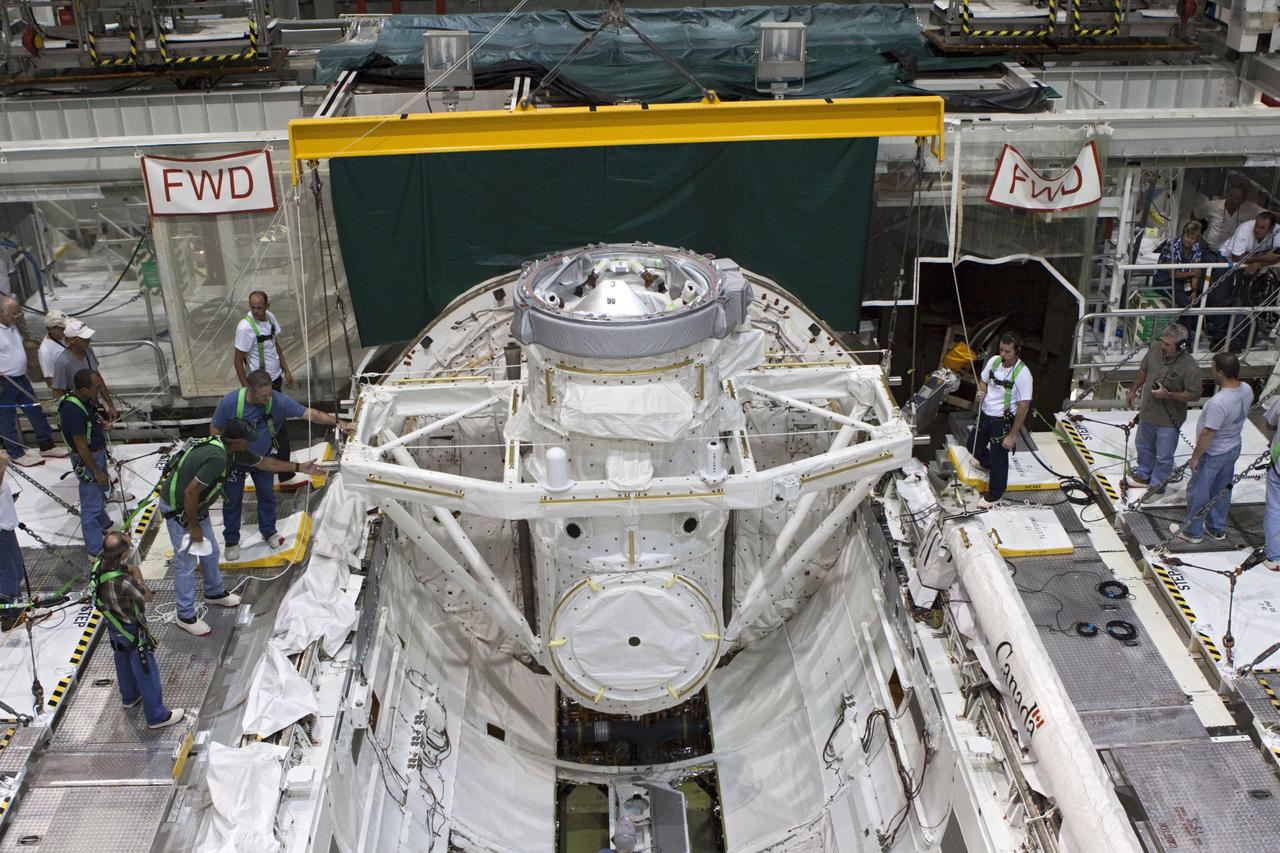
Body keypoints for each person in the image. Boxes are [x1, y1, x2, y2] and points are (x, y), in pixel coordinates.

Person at [158, 418, 322, 635]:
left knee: (211, 551)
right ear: (235, 442)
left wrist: (300, 467)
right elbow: (190, 492)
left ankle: (214, 593)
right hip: (181, 510)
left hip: (196, 507)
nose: (251, 444)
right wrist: (194, 527)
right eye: (247, 440)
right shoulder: (217, 457)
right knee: (186, 563)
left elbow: (266, 463)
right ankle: (185, 615)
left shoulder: (231, 450)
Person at [211, 370, 343, 561]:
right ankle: (231, 541)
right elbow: (214, 430)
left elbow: (309, 414)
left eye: (269, 393)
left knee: (267, 496)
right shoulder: (231, 403)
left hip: (262, 459)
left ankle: (269, 531)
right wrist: (222, 457)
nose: (268, 398)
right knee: (232, 501)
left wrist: (339, 422)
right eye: (263, 395)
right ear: (251, 390)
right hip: (234, 462)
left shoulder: (276, 401)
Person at [92, 531, 185, 729]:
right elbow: (148, 596)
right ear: (122, 554)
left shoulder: (99, 567)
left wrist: (134, 572)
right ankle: (157, 716)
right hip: (131, 628)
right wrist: (140, 582)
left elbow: (131, 568)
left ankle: (130, 697)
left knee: (122, 658)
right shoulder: (122, 582)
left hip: (114, 626)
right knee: (146, 670)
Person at [1171, 353, 1252, 544]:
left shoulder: (1219, 402)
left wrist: (1195, 457)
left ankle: (1192, 532)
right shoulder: (1247, 389)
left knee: (1199, 491)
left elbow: (1209, 432)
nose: (1212, 370)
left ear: (1221, 372)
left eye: (1213, 367)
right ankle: (1216, 528)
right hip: (1232, 447)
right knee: (1222, 490)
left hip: (1214, 453)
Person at [1125, 324, 1203, 491]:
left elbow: (1194, 395)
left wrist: (1168, 395)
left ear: (1181, 346)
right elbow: (1143, 370)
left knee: (1164, 456)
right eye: (1163, 342)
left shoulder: (1190, 367)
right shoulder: (1154, 350)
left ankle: (1157, 485)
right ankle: (1144, 474)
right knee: (1143, 445)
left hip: (1169, 420)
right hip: (1148, 412)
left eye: (1168, 344)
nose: (1163, 346)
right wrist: (1133, 390)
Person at [234, 292, 296, 482]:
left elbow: (274, 344)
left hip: (274, 380)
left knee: (277, 424)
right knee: (269, 426)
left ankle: (281, 469)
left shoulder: (270, 319)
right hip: (258, 385)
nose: (255, 311)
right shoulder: (245, 328)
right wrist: (247, 390)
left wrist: (286, 369)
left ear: (267, 306)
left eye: (259, 307)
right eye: (252, 307)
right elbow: (238, 361)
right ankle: (270, 469)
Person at [966, 333, 1032, 508]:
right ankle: (986, 463)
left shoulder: (1023, 374)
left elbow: (1023, 406)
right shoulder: (994, 361)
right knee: (972, 445)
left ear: (1017, 352)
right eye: (1001, 350)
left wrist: (1012, 435)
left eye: (1007, 351)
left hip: (1001, 422)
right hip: (985, 415)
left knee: (999, 459)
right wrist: (981, 392)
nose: (1003, 354)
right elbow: (984, 381)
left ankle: (995, 495)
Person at [0, 296, 64, 467]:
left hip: (21, 378)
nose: (17, 316)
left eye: (18, 312)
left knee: (35, 411)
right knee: (7, 418)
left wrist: (41, 344)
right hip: (4, 382)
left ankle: (46, 444)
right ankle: (15, 453)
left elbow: (21, 344)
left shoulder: (13, 327)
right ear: (1, 312)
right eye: (14, 313)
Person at [60, 368, 115, 558]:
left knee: (98, 493)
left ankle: (104, 525)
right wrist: (96, 471)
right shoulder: (72, 410)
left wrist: (103, 424)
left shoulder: (86, 400)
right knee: (90, 503)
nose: (99, 390)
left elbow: (91, 420)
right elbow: (81, 446)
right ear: (84, 389)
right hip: (87, 459)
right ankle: (96, 549)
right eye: (96, 387)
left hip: (96, 453)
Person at [52, 319, 117, 421]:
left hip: (93, 404)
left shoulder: (88, 352)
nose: (88, 340)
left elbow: (98, 379)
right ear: (72, 340)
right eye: (84, 338)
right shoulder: (62, 362)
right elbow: (57, 392)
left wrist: (111, 405)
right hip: (78, 408)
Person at [1154, 221, 1205, 334]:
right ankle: (1186, 338)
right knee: (1184, 304)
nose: (1189, 240)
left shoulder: (1196, 247)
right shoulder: (1173, 246)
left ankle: (1196, 330)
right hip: (1164, 281)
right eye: (1187, 236)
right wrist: (1193, 273)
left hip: (1183, 281)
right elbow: (1173, 274)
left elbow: (1197, 271)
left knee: (1196, 299)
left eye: (1192, 238)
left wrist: (1194, 291)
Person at [0, 450, 25, 631]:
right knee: (10, 572)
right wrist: (2, 465)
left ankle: (16, 606)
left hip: (6, 527)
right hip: (1, 531)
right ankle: (10, 616)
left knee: (14, 569)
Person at [1196, 183, 1263, 251]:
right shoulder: (1213, 206)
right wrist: (1197, 235)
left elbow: (1267, 214)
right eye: (1230, 195)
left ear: (1242, 201)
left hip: (1227, 253)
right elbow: (1195, 215)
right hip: (1208, 248)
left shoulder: (1249, 209)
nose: (1232, 199)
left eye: (1237, 198)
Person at [37, 309, 69, 394]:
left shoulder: (67, 336)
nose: (66, 329)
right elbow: (50, 382)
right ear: (52, 329)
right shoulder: (45, 351)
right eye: (62, 328)